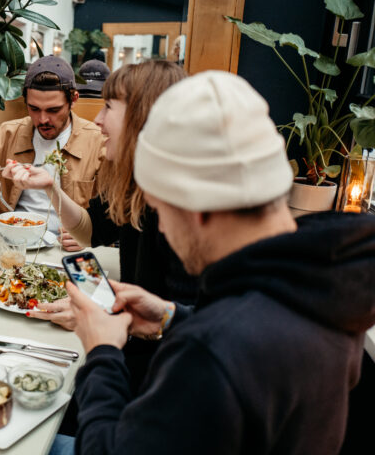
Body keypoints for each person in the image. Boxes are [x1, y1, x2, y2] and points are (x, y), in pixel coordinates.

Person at [67, 71, 375, 453]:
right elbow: (254, 337)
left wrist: (102, 352)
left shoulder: (208, 354)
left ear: (197, 207)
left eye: (160, 207)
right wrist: (170, 317)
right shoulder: (325, 284)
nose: (160, 223)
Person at [3, 60, 196, 333]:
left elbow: (194, 326)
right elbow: (89, 232)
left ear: (142, 117)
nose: (97, 120)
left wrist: (103, 313)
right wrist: (51, 188)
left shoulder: (186, 205)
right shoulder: (132, 181)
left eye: (109, 107)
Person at [0, 55, 104, 247]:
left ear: (74, 99)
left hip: (65, 248)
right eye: (34, 108)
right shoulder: (7, 134)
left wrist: (90, 237)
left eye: (53, 110)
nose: (43, 119)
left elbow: (113, 218)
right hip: (11, 244)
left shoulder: (97, 141)